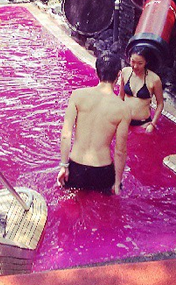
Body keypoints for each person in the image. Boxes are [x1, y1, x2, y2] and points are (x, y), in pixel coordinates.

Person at [57, 53, 131, 195]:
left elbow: (66, 135)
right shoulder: (123, 109)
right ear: (119, 74)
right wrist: (117, 182)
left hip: (76, 168)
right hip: (102, 171)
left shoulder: (78, 95)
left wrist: (63, 166)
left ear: (96, 72)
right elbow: (120, 151)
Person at [119, 46, 164, 132]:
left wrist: (153, 124)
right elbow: (121, 96)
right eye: (133, 61)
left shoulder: (154, 79)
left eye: (140, 63)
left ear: (146, 62)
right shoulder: (125, 72)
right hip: (124, 121)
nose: (135, 66)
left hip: (143, 125)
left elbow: (160, 104)